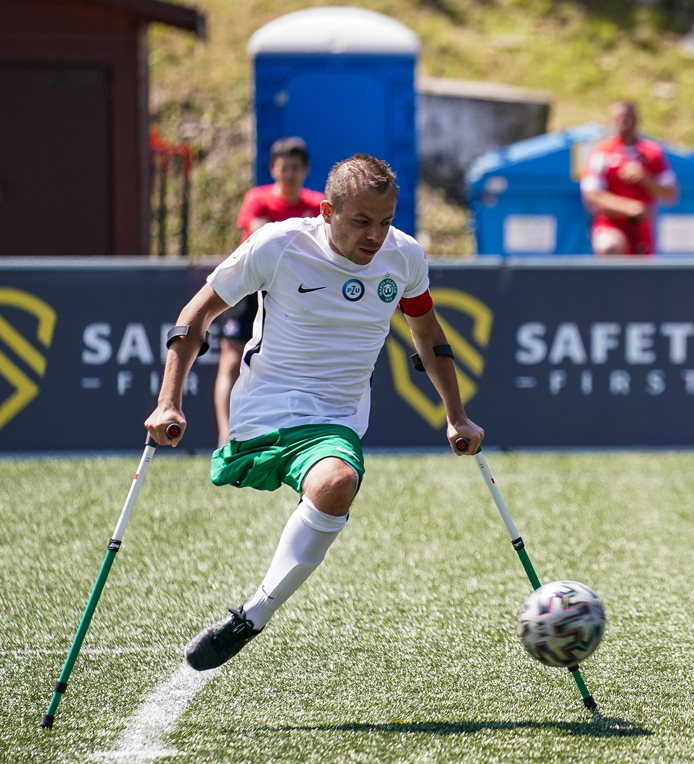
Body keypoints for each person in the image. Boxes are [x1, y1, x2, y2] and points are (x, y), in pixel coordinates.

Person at [145, 153, 484, 671]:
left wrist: (456, 415)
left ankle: (252, 616)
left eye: (386, 221)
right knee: (326, 480)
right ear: (327, 211)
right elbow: (197, 315)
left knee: (338, 481)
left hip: (335, 419)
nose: (376, 236)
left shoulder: (404, 257)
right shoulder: (278, 244)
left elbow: (428, 335)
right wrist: (168, 400)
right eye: (362, 221)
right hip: (262, 409)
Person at [214, 137, 324, 445]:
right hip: (250, 291)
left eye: (295, 168)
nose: (289, 174)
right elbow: (263, 238)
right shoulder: (258, 199)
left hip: (293, 293)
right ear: (273, 168)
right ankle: (225, 434)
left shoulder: (317, 204)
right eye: (283, 167)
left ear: (305, 170)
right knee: (232, 361)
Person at [580, 101, 679, 255]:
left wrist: (644, 178)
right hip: (610, 224)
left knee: (639, 266)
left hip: (641, 227)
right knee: (610, 246)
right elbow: (592, 196)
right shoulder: (602, 152)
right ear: (611, 121)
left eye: (628, 118)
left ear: (637, 120)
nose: (624, 123)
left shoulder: (652, 153)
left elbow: (670, 194)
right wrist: (628, 208)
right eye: (619, 118)